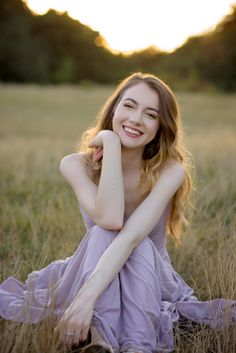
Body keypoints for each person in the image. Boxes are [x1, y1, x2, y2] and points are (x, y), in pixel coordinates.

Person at [0, 72, 235, 353]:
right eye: (129, 106)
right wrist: (111, 145)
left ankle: (127, 343)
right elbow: (109, 218)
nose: (136, 119)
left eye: (150, 114)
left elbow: (130, 236)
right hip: (96, 262)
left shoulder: (170, 170)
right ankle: (102, 341)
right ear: (114, 109)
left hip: (148, 273)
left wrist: (85, 299)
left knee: (137, 242)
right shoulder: (75, 165)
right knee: (103, 232)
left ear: (161, 126)